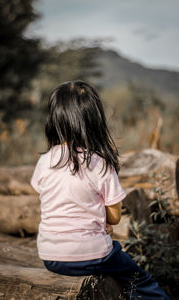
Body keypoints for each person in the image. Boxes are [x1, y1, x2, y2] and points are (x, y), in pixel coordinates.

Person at [30, 80, 170, 300]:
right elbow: (114, 217)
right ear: (94, 120)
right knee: (139, 280)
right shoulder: (100, 163)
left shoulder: (45, 161)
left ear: (55, 119)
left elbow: (50, 198)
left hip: (51, 257)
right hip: (92, 255)